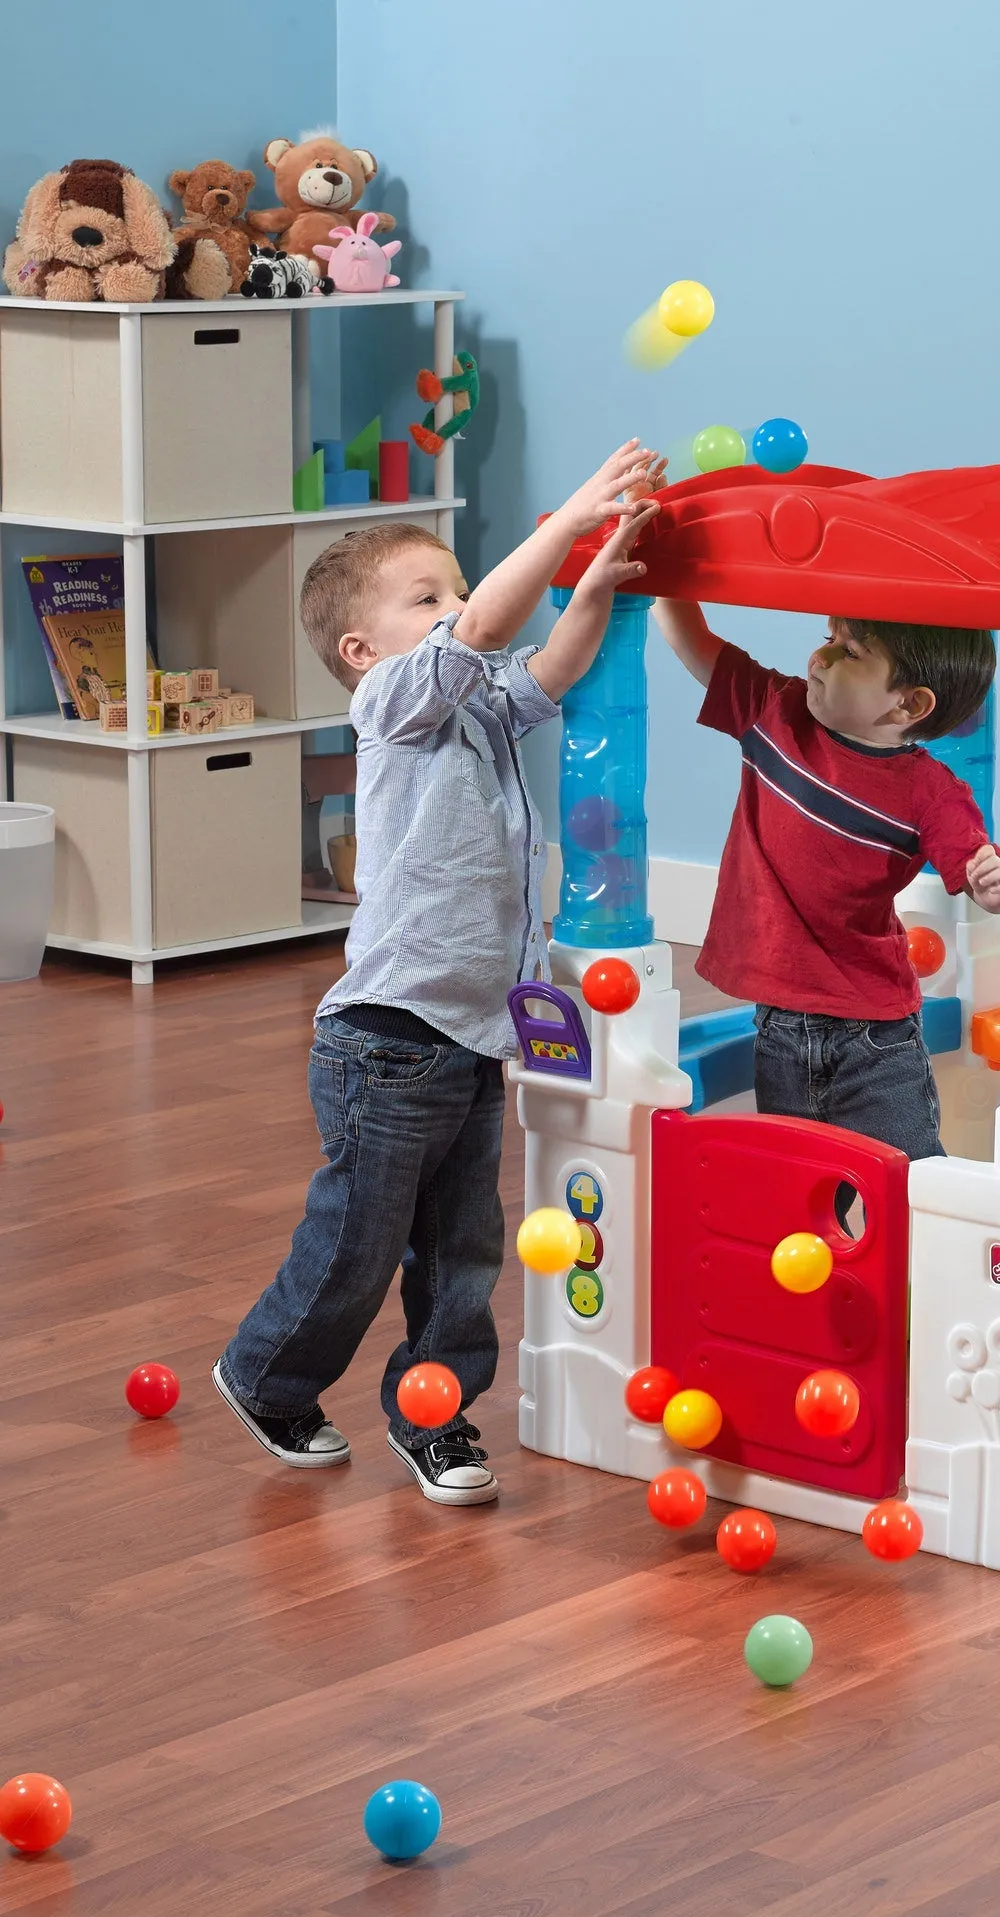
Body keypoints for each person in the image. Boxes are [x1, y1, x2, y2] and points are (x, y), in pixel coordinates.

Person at [213, 442, 660, 1503]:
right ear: (364, 649)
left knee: (463, 1250)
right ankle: (267, 1371)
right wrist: (565, 522)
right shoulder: (393, 707)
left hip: (471, 1039)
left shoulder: (470, 711)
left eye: (456, 587)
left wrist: (590, 584)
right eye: (430, 598)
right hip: (386, 1039)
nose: (455, 606)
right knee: (360, 1242)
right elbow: (493, 628)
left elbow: (544, 667)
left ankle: (435, 1411)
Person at [654, 599, 1000, 1164]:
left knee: (907, 1182)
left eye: (848, 651)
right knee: (796, 1183)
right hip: (778, 1021)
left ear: (910, 704)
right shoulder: (773, 710)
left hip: (874, 1036)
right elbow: (690, 637)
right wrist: (658, 573)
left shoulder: (931, 791)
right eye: (828, 637)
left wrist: (994, 882)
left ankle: (925, 1255)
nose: (819, 656)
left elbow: (974, 864)